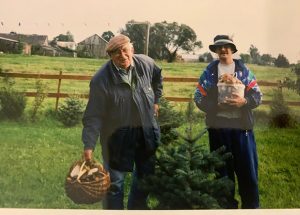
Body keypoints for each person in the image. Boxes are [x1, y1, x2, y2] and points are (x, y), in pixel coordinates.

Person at [81, 34, 163, 209]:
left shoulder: (145, 63)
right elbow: (94, 115)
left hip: (146, 135)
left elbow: (157, 75)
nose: (122, 55)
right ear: (110, 56)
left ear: (132, 49)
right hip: (116, 140)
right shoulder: (101, 80)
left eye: (125, 50)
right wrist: (89, 145)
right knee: (114, 185)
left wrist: (156, 100)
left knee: (145, 181)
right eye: (116, 53)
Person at [194, 35, 262, 209]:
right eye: (219, 47)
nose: (223, 50)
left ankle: (251, 209)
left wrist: (244, 102)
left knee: (248, 175)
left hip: (242, 130)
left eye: (227, 46)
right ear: (215, 51)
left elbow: (257, 95)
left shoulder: (243, 71)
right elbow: (199, 98)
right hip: (219, 130)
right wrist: (216, 106)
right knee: (222, 176)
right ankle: (226, 209)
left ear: (232, 49)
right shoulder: (209, 72)